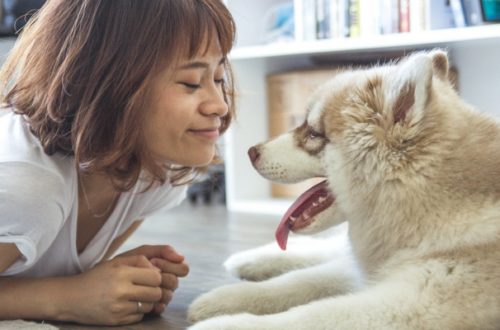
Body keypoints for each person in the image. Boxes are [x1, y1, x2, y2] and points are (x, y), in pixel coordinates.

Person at [0, 0, 235, 326]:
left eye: (220, 77)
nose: (219, 106)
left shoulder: (154, 174)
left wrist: (116, 281)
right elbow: (63, 291)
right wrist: (64, 298)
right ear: (107, 83)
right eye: (191, 82)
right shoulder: (28, 188)